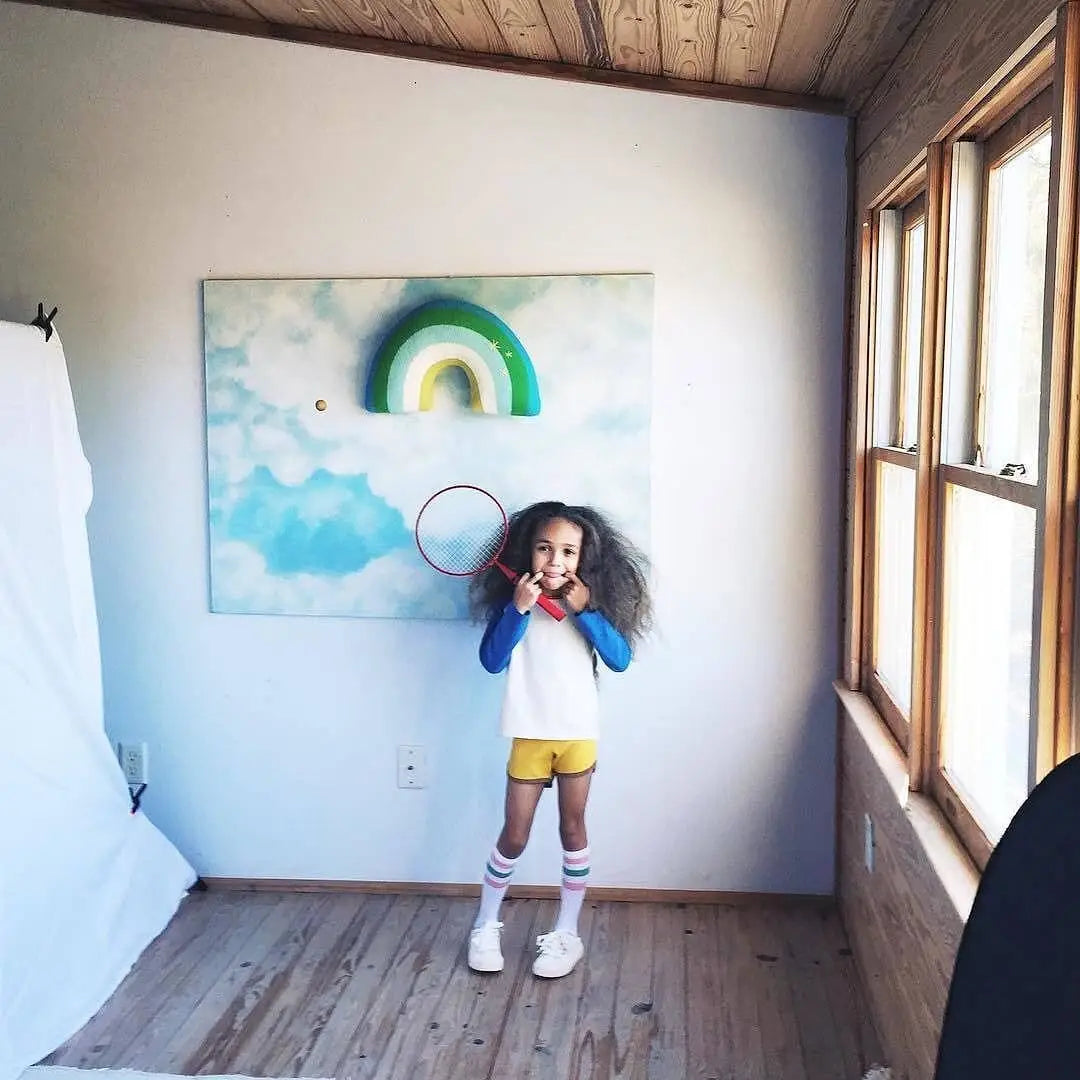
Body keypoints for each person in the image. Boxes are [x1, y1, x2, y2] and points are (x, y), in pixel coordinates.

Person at [466, 500, 652, 978]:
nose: (555, 561)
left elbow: (620, 659)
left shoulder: (587, 605)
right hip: (529, 734)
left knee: (573, 830)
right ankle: (485, 924)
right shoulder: (518, 605)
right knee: (515, 834)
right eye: (545, 548)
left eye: (568, 551)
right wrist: (518, 609)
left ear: (583, 558)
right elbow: (491, 660)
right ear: (528, 552)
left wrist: (585, 610)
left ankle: (567, 932)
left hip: (577, 737)